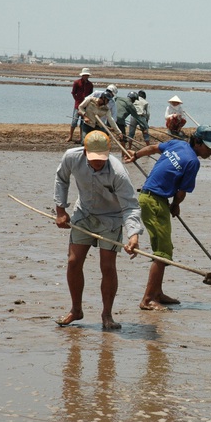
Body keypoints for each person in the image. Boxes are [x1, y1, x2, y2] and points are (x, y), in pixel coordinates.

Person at [54, 130, 144, 329]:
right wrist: (60, 209)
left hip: (111, 219)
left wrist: (133, 235)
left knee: (107, 266)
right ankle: (76, 310)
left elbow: (130, 206)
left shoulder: (118, 172)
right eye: (93, 159)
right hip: (84, 214)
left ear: (108, 152)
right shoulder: (71, 157)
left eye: (101, 159)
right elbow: (62, 178)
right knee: (73, 261)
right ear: (85, 151)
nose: (97, 163)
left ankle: (107, 315)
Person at [125, 124, 211, 311]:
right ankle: (148, 299)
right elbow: (181, 192)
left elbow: (152, 148)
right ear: (198, 142)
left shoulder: (177, 144)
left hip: (150, 197)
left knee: (165, 249)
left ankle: (158, 292)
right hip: (154, 201)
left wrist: (136, 155)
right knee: (162, 254)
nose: (210, 151)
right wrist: (175, 206)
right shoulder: (193, 161)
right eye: (208, 147)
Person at [67, 68, 94, 143]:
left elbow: (91, 95)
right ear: (82, 75)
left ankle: (81, 137)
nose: (86, 77)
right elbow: (73, 93)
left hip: (86, 106)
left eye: (87, 75)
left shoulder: (90, 84)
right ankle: (70, 136)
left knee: (83, 122)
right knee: (74, 121)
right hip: (78, 105)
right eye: (84, 75)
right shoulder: (77, 82)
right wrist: (77, 100)